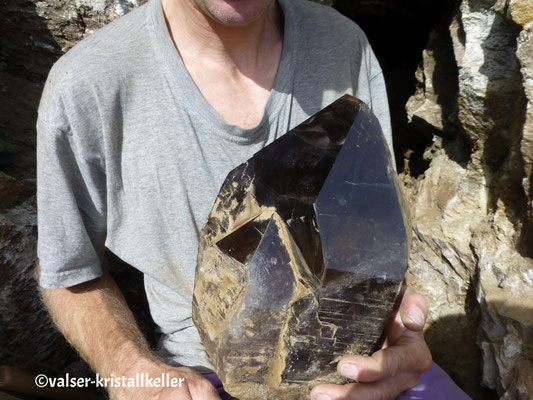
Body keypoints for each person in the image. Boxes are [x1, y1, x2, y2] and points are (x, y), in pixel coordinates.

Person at [36, 0, 470, 399]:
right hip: (199, 380)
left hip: (355, 370)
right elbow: (70, 270)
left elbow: (373, 228)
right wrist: (132, 374)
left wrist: (395, 322)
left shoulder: (342, 45)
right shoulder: (88, 84)